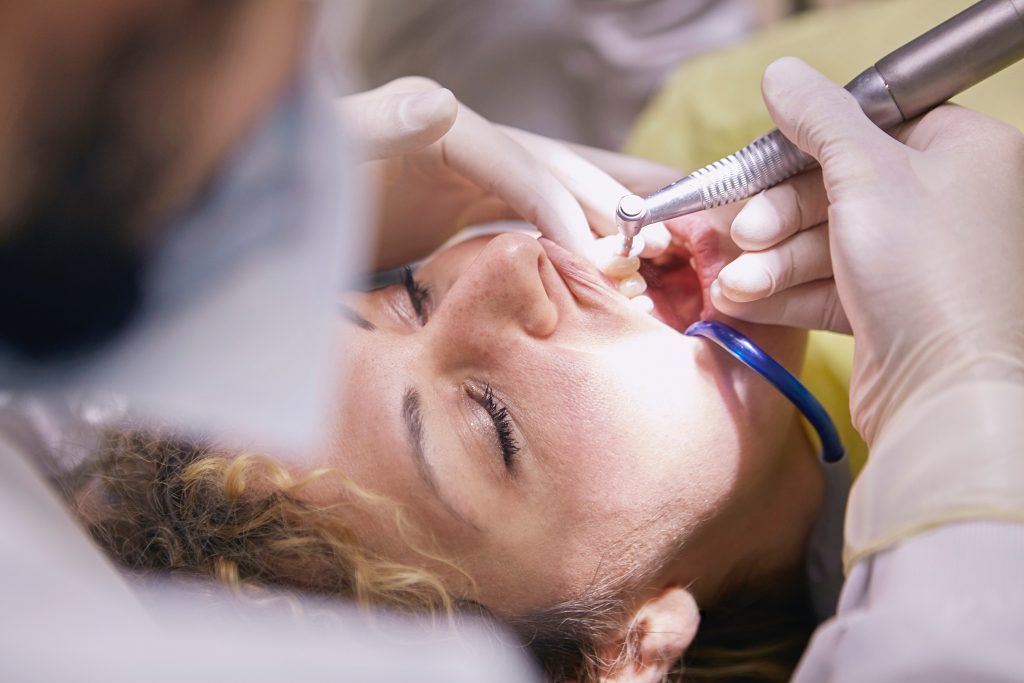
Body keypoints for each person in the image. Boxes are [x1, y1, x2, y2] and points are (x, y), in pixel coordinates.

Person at [64, 57, 1024, 683]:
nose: (503, 263)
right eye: (493, 421)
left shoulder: (718, 113)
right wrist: (971, 390)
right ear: (622, 649)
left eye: (407, 292)